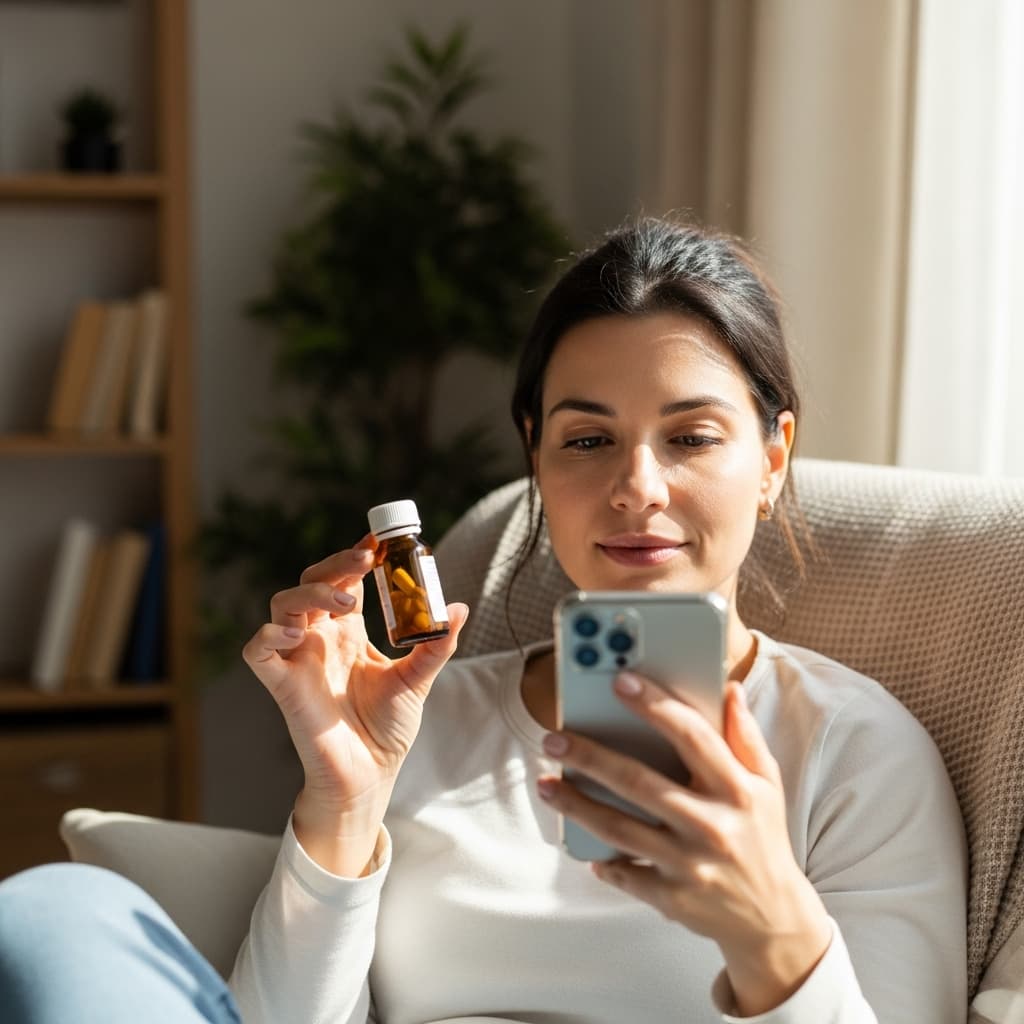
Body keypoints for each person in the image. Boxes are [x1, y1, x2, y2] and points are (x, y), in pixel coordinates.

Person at [0, 217, 967, 1024]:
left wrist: (774, 930)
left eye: (691, 437)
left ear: (772, 459)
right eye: (588, 439)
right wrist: (344, 801)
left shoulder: (853, 752)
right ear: (536, 460)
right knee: (50, 915)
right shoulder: (420, 723)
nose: (636, 488)